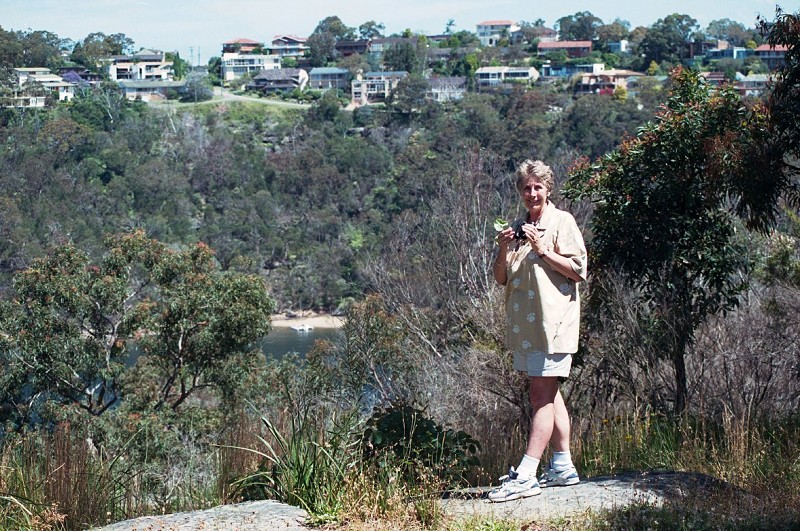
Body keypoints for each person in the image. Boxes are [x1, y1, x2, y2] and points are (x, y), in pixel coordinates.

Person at [488, 159, 587, 503]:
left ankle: (526, 474)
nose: (532, 193)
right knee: (549, 392)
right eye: (526, 188)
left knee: (540, 397)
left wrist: (543, 250)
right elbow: (501, 278)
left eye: (538, 187)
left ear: (548, 189)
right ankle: (562, 467)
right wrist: (504, 248)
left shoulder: (562, 222)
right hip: (528, 329)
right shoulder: (518, 228)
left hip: (553, 325)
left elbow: (578, 270)